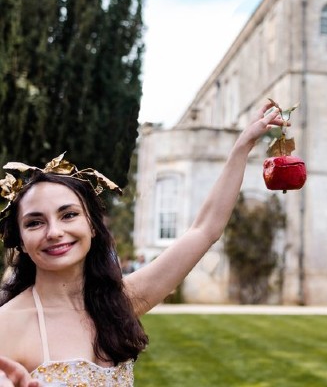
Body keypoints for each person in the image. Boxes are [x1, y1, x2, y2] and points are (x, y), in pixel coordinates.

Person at [0, 102, 285, 386]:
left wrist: (242, 148)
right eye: (35, 222)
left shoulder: (117, 302)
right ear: (21, 241)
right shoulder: (7, 325)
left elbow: (205, 230)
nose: (54, 231)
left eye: (69, 215)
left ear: (93, 226)